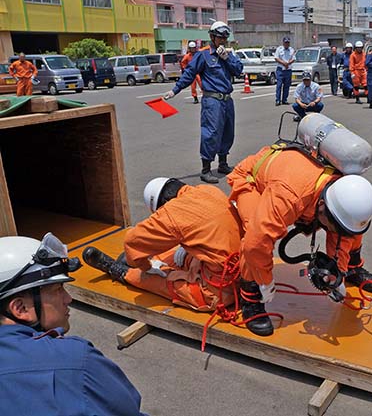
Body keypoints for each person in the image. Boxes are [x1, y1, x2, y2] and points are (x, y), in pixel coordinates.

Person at [227, 147, 372, 336]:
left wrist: (338, 273)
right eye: (332, 226)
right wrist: (265, 281)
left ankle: (353, 268)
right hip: (252, 178)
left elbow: (341, 234)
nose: (335, 232)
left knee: (349, 229)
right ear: (321, 206)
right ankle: (251, 299)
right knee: (253, 232)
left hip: (299, 182)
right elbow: (256, 243)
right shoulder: (288, 198)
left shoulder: (340, 191)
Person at [0, 233, 146, 415]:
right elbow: (127, 409)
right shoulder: (75, 360)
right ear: (20, 308)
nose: (68, 299)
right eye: (57, 290)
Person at [82, 178, 242, 312]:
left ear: (162, 204)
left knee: (156, 278)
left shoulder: (172, 213)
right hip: (241, 271)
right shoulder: (206, 190)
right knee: (174, 252)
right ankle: (147, 259)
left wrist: (145, 267)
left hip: (218, 291)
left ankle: (121, 272)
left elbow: (132, 242)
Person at [164, 21, 243, 185]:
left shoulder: (228, 55)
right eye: (220, 38)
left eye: (225, 38)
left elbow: (238, 70)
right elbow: (189, 74)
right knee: (211, 132)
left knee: (228, 132)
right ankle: (206, 170)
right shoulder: (203, 55)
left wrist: (227, 58)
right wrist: (175, 90)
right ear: (212, 37)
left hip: (227, 100)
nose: (223, 41)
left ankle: (222, 164)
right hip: (212, 100)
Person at [274, 36, 296, 106]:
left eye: (288, 42)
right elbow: (276, 58)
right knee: (279, 85)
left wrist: (288, 64)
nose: (287, 44)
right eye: (285, 42)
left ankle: (284, 99)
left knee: (287, 85)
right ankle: (278, 100)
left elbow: (293, 58)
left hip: (288, 70)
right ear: (283, 43)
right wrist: (284, 63)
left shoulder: (291, 50)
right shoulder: (279, 49)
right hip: (280, 69)